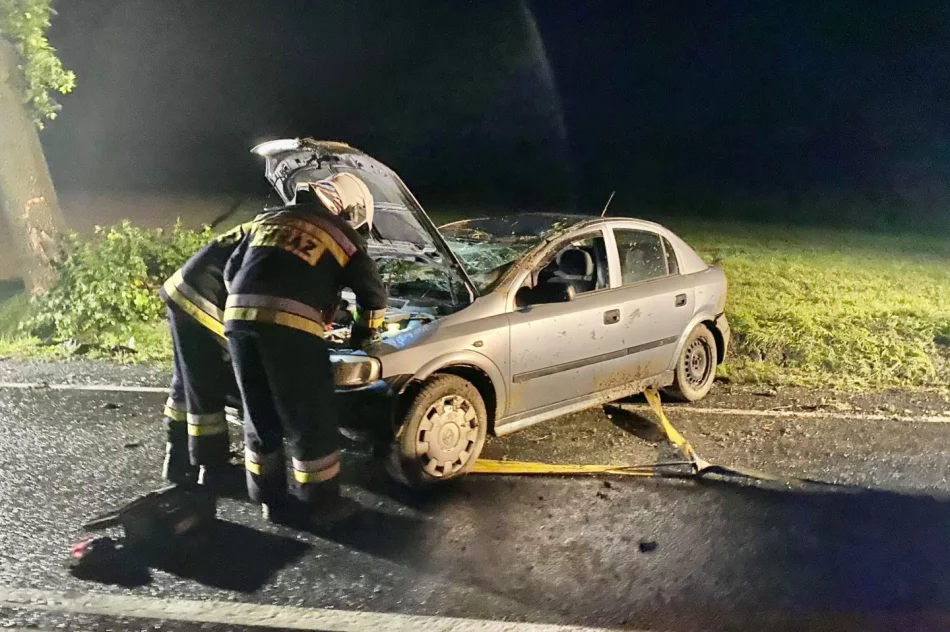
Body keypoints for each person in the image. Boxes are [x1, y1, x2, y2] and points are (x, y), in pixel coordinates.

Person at [223, 173, 387, 525]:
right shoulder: (341, 233)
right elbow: (373, 298)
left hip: (238, 321)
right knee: (309, 418)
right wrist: (362, 337)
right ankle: (323, 505)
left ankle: (269, 500)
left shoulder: (269, 220)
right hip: (290, 328)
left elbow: (231, 269)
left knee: (258, 413)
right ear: (350, 208)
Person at [159, 222, 248, 490]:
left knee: (186, 380)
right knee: (208, 383)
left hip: (181, 288)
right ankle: (213, 470)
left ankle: (177, 460)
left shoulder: (267, 225)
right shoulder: (287, 235)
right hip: (204, 297)